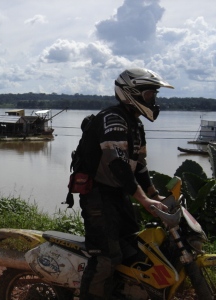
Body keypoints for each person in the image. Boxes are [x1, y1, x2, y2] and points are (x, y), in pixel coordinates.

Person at [78, 68, 174, 300]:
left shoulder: (135, 124)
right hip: (98, 196)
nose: (154, 100)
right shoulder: (112, 119)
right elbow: (117, 165)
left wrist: (155, 195)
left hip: (118, 195)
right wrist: (142, 199)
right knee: (106, 257)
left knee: (132, 248)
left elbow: (138, 165)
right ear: (132, 93)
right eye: (150, 94)